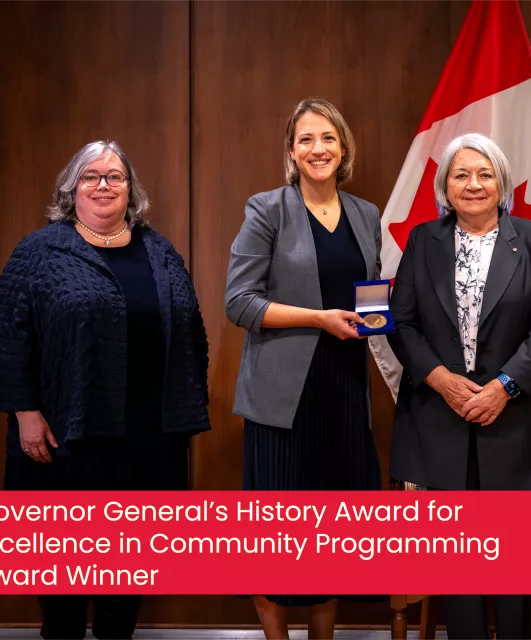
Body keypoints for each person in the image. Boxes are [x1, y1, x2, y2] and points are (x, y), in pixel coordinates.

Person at [0, 140, 210, 640]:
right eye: (91, 176)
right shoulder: (39, 251)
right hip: (67, 437)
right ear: (71, 188)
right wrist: (24, 412)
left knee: (130, 562)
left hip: (147, 437)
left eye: (115, 176)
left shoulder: (159, 251)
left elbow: (191, 334)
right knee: (62, 561)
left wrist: (184, 412)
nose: (103, 185)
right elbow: (9, 337)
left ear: (131, 190)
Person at [387, 133, 531, 639]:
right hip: (441, 417)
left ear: (502, 183)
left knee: (513, 569)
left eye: (485, 174)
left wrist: (503, 387)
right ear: (445, 187)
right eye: (461, 175)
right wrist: (440, 379)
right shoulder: (423, 241)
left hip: (516, 421)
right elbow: (402, 322)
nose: (473, 184)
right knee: (459, 562)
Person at [224, 98, 382, 639]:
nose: (318, 149)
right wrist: (318, 318)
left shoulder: (365, 214)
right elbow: (239, 302)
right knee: (276, 537)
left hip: (345, 389)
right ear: (291, 151)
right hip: (283, 400)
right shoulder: (267, 209)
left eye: (328, 138)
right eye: (307, 139)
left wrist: (375, 318)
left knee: (333, 536)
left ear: (344, 148)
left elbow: (369, 293)